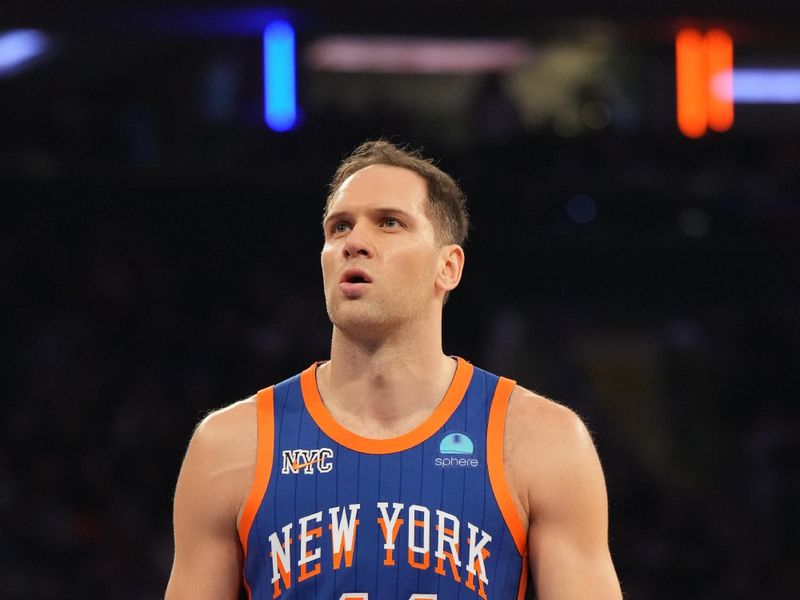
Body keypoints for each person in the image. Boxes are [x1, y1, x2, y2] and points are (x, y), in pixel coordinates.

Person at [165, 140, 622, 600]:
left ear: (448, 267)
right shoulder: (227, 446)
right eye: (339, 227)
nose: (354, 243)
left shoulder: (543, 441)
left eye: (389, 223)